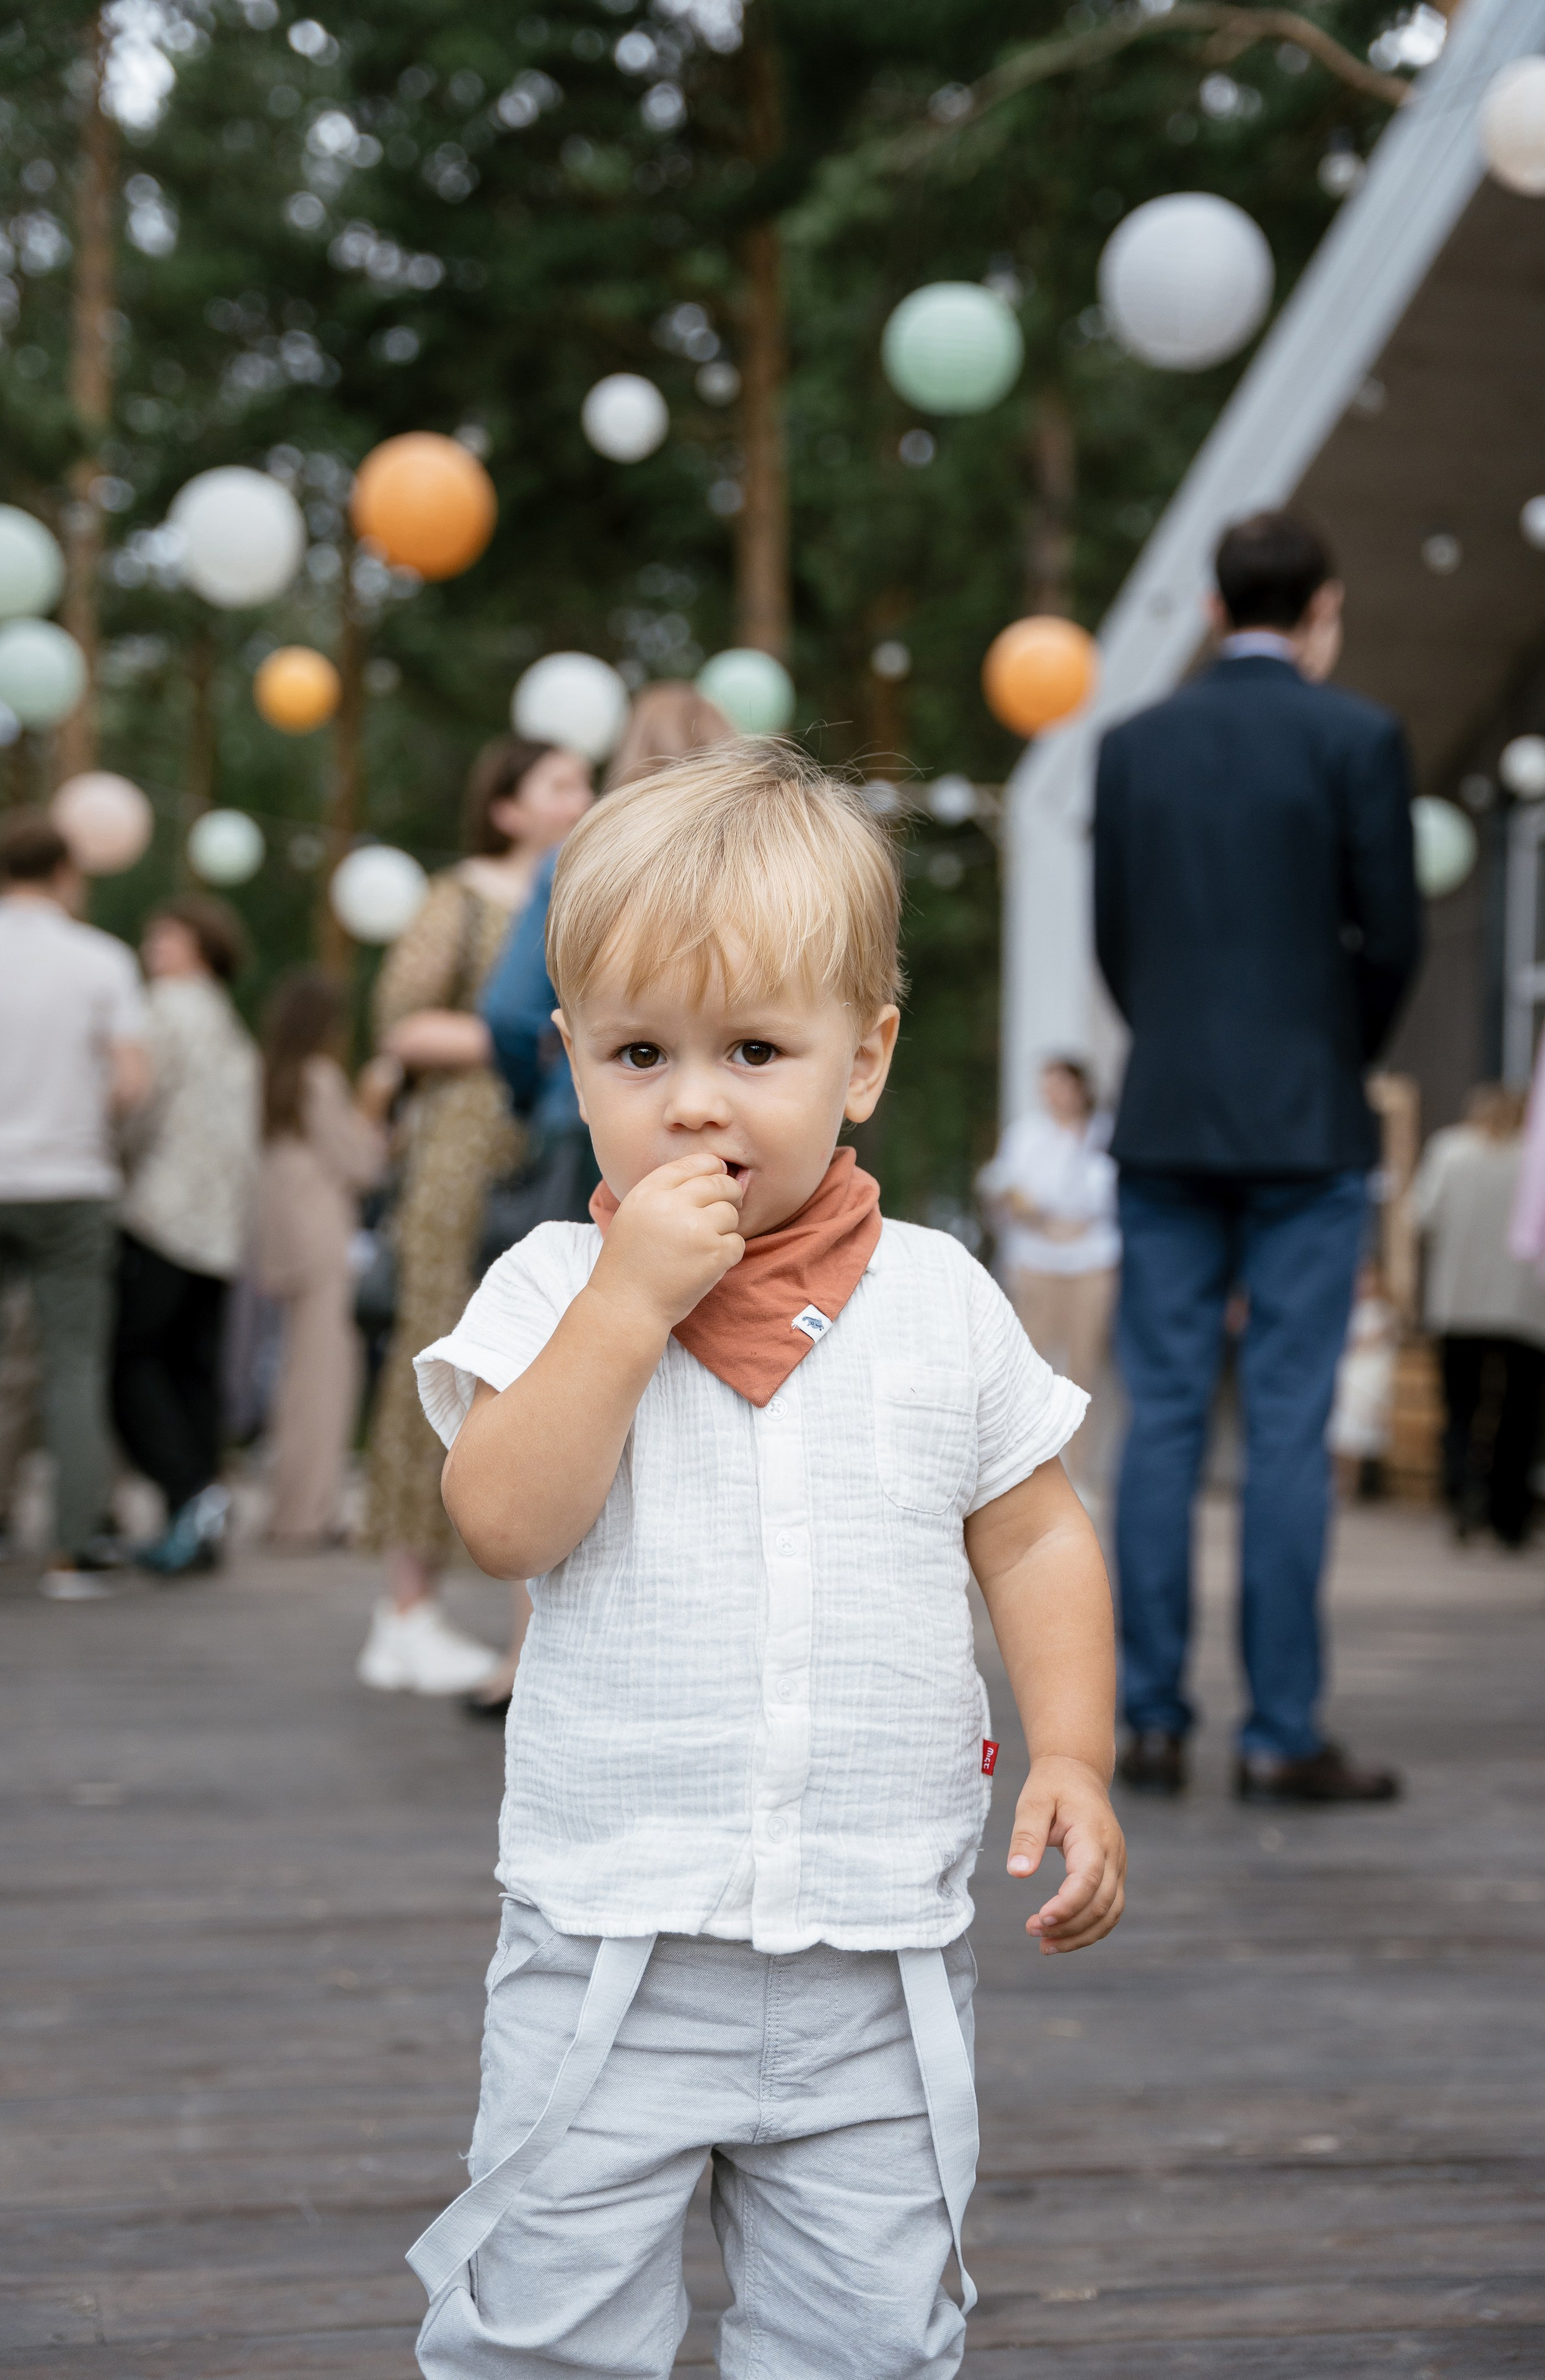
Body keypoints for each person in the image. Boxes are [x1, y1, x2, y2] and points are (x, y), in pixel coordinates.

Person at [403, 744, 1125, 2376]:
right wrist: (626, 1308)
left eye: (755, 1049)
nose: (696, 1100)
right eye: (640, 1051)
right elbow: (508, 1521)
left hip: (875, 1958)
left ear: (863, 1060)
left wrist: (1073, 1747)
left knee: (869, 2343)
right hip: (610, 1950)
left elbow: (1033, 1532)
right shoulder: (550, 1287)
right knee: (545, 2337)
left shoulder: (940, 1297)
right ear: (568, 1057)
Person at [1094, 509, 1422, 1804]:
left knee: (1161, 1418)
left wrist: (1175, 1044)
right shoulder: (1358, 738)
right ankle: (1280, 1734)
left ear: (1215, 611)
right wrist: (1329, 1054)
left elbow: (1116, 942)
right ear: (1321, 610)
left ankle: (1151, 1721)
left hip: (1165, 1114)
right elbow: (1391, 938)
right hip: (1305, 1123)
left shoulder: (1132, 747)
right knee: (1286, 1427)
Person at [356, 736, 593, 1697]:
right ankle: (405, 1604)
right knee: (440, 1349)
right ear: (507, 808)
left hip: (544, 1148)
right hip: (464, 1146)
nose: (583, 796)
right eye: (562, 784)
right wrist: (534, 1037)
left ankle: (521, 1628)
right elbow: (401, 1022)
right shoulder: (461, 898)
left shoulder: (589, 885)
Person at [0, 809, 149, 1600]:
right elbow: (133, 1078)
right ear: (67, 873)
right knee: (73, 1363)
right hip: (69, 1182)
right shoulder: (99, 960)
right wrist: (83, 1117)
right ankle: (75, 1551)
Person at [481, 679, 734, 1130]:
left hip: (596, 1121)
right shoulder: (768, 867)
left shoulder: (574, 861)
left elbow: (510, 1014)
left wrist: (542, 1095)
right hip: (739, 1114)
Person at [112, 894, 260, 1577]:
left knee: (133, 1365)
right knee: (194, 1373)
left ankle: (185, 1496)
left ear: (197, 945)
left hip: (161, 1213)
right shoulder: (232, 1025)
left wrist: (111, 1160)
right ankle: (200, 1519)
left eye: (163, 935)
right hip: (221, 1227)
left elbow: (136, 1102)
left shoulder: (163, 1010)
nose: (152, 949)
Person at [254, 969, 395, 1546]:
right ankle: (309, 1515)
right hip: (322, 1242)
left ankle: (292, 1506)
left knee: (295, 1380)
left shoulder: (276, 1078)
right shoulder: (319, 1078)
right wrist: (374, 1105)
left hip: (284, 1239)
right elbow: (362, 1164)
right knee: (325, 1380)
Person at [1412, 1083, 1545, 1546]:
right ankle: (1509, 1517)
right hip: (1524, 1307)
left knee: (1461, 1407)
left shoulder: (1450, 1151)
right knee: (1519, 1412)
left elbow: (1423, 1213)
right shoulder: (1533, 1159)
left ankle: (1462, 1494)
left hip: (1458, 1302)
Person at [976, 1056, 1118, 1491]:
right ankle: (1030, 1474)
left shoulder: (1105, 1134)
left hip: (1093, 1265)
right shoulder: (1026, 1134)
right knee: (1033, 1367)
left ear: (1080, 1087)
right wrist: (1040, 1219)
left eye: (1060, 1085)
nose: (1052, 1095)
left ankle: (1081, 1475)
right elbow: (1004, 1192)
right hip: (1036, 1264)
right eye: (1046, 1086)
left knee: (1084, 1368)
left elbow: (1113, 1197)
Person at [1327, 1258, 1399, 1499]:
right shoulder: (1348, 1309)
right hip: (1348, 1375)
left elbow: (1370, 1340)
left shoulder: (1382, 1312)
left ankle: (1352, 1487)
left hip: (1367, 1378)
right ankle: (1337, 1483)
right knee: (1340, 1430)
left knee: (1356, 1432)